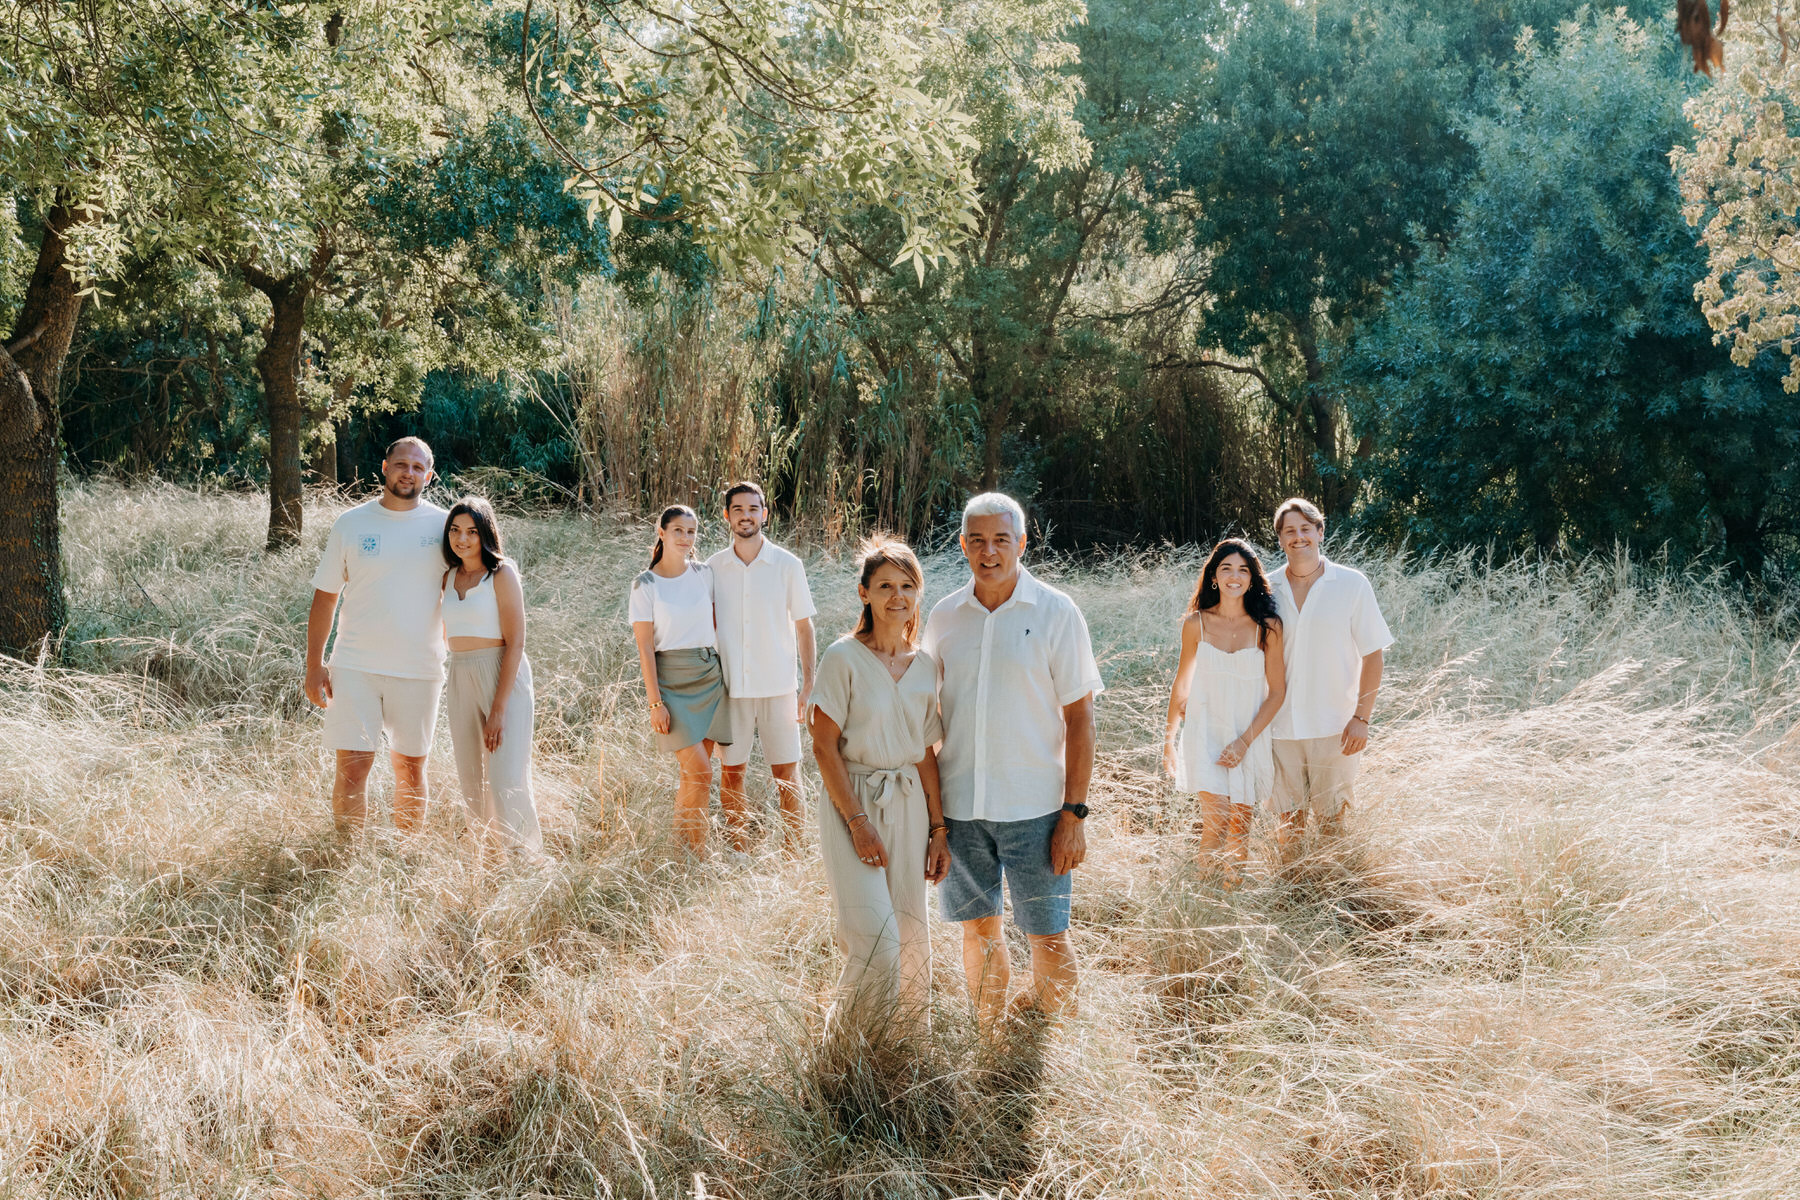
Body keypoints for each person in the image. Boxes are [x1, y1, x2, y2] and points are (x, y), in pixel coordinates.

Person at [922, 492, 1103, 1031]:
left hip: (1037, 810)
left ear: (1023, 543)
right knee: (978, 929)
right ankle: (990, 1038)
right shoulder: (944, 616)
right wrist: (934, 822)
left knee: (1047, 932)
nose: (989, 551)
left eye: (1001, 539)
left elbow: (1080, 719)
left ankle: (1061, 1048)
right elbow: (927, 713)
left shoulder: (1055, 611)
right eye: (977, 540)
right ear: (962, 545)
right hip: (961, 808)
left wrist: (1074, 814)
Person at [810, 536, 950, 1028]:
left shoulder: (925, 666)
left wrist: (938, 830)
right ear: (864, 593)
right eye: (885, 585)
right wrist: (857, 822)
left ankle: (904, 1052)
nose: (898, 596)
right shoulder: (842, 657)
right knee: (876, 942)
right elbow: (823, 745)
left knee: (911, 936)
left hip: (910, 807)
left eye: (907, 585)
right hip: (855, 802)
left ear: (918, 594)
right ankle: (845, 1053)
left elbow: (925, 754)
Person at [304, 436, 448, 834]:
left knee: (410, 769)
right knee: (352, 767)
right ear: (385, 468)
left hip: (419, 669)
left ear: (429, 476)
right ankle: (347, 856)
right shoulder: (351, 524)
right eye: (401, 464)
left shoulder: (444, 526)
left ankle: (407, 854)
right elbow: (326, 596)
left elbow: (463, 592)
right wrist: (314, 665)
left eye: (418, 467)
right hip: (355, 666)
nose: (409, 473)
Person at [1266, 498, 1393, 857]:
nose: (1298, 536)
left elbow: (1373, 654)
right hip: (1280, 728)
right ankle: (1291, 899)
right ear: (1280, 540)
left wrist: (1361, 718)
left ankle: (1332, 899)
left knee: (1332, 824)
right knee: (1287, 825)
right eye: (1289, 531)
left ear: (1320, 532)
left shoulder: (1351, 584)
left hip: (1335, 728)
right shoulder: (1265, 587)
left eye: (1306, 528)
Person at [1163, 538, 1287, 885]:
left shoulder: (1268, 627)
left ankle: (1232, 898)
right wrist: (1169, 740)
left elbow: (1277, 693)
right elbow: (1181, 684)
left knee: (1241, 825)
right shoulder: (1196, 624)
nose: (1235, 576)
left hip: (1248, 736)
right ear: (1214, 577)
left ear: (1252, 579)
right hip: (1206, 736)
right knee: (1215, 822)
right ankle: (1207, 900)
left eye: (1243, 570)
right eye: (1227, 568)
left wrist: (1244, 743)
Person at [706, 481, 817, 854]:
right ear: (727, 516)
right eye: (738, 509)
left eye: (753, 508)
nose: (746, 516)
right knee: (732, 773)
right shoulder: (712, 568)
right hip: (731, 689)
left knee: (786, 775)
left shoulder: (787, 565)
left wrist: (808, 684)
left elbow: (804, 625)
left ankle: (792, 853)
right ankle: (739, 850)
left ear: (764, 514)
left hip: (778, 687)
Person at [441, 496, 543, 858]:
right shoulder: (448, 577)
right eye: (455, 530)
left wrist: (499, 709)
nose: (462, 539)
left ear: (485, 533)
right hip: (459, 674)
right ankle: (486, 866)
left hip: (502, 674)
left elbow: (516, 642)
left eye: (471, 531)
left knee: (505, 780)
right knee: (472, 781)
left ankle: (525, 864)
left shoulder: (502, 573)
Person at [630, 504, 732, 854]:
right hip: (672, 682)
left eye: (691, 532)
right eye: (678, 531)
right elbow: (645, 648)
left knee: (694, 776)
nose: (686, 538)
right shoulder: (645, 584)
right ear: (661, 533)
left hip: (708, 675)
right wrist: (655, 702)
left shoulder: (704, 574)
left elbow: (719, 624)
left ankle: (680, 849)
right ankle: (700, 853)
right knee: (701, 772)